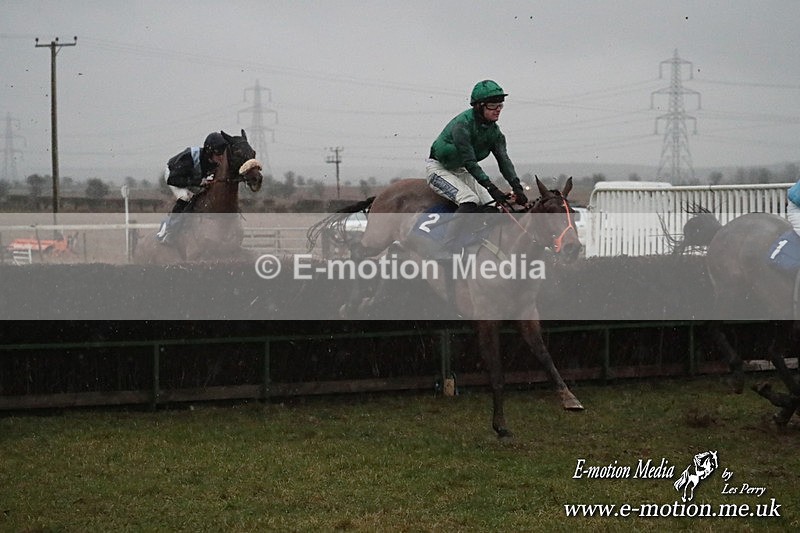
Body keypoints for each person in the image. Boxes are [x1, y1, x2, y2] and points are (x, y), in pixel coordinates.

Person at [427, 80, 528, 244]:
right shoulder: (462, 125)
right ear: (479, 106)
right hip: (439, 169)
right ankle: (446, 245)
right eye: (493, 106)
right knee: (469, 200)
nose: (498, 110)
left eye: (500, 105)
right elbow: (470, 161)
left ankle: (480, 241)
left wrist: (517, 187)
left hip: (461, 170)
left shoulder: (495, 133)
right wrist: (492, 187)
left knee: (492, 206)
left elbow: (504, 160)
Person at [156, 132, 228, 244]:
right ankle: (168, 227)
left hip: (191, 178)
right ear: (209, 151)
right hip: (173, 175)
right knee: (186, 197)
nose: (221, 157)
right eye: (218, 154)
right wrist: (198, 182)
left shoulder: (214, 162)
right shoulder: (189, 158)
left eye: (222, 154)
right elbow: (173, 179)